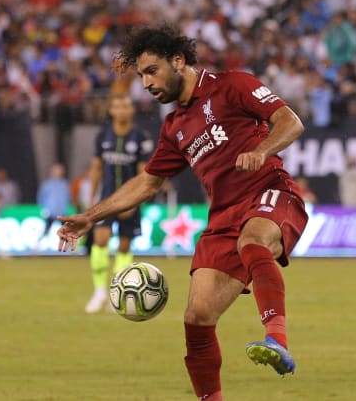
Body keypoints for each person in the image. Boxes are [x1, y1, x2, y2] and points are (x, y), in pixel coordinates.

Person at [57, 25, 308, 401]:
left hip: (269, 192)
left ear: (178, 61)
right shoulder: (174, 128)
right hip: (223, 217)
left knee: (254, 241)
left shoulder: (233, 85)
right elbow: (147, 183)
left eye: (151, 71)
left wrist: (262, 150)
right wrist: (91, 216)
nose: (145, 83)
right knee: (197, 317)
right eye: (141, 75)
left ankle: (277, 340)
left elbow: (291, 121)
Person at [83, 93, 154, 314]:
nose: (122, 110)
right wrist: (91, 200)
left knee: (124, 245)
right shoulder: (103, 136)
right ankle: (99, 291)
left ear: (131, 110)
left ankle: (118, 291)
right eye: (117, 106)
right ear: (112, 111)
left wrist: (133, 202)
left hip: (129, 200)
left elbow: (144, 174)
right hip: (106, 200)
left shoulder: (141, 137)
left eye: (126, 105)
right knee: (100, 239)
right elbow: (95, 169)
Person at [36, 162, 71, 233]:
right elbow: (41, 197)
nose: (59, 172)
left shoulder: (65, 184)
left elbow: (68, 197)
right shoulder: (47, 184)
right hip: (51, 212)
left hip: (62, 212)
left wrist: (67, 207)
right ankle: (39, 243)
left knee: (66, 230)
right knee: (46, 229)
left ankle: (68, 243)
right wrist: (44, 209)